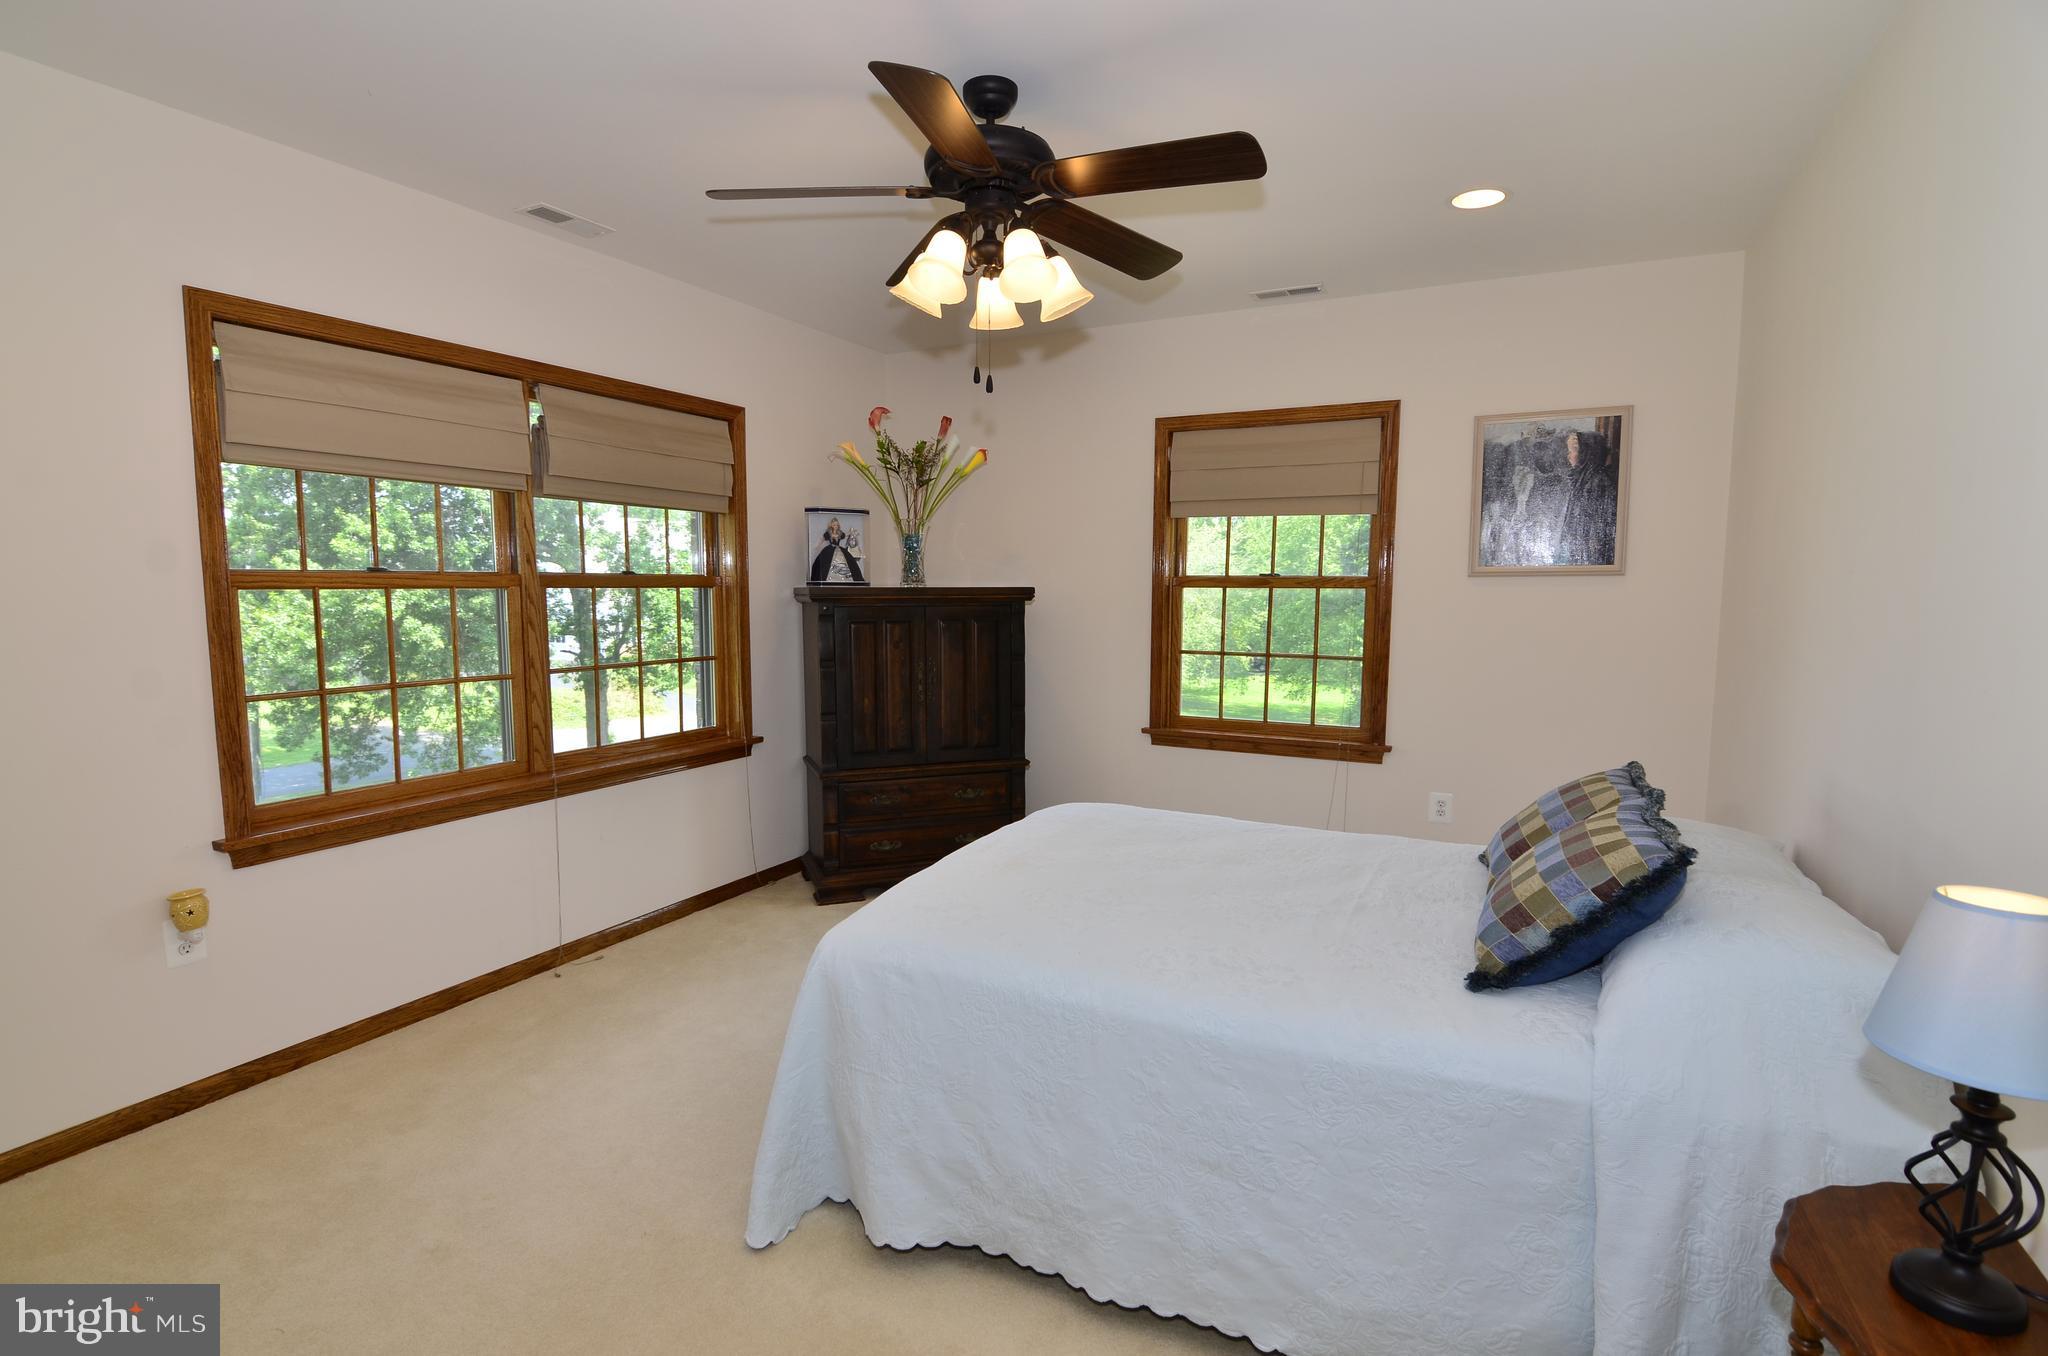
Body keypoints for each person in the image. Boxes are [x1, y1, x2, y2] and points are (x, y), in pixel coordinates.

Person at [1557, 429, 1617, 566]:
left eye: (1573, 451)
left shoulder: (1598, 483)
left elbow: (1597, 529)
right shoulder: (1580, 480)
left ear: (1586, 454)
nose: (1569, 456)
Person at [809, 516, 865, 585]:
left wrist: (851, 532)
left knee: (848, 561)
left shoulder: (839, 533)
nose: (836, 526)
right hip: (829, 550)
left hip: (839, 549)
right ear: (831, 525)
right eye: (834, 525)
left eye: (837, 525)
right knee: (825, 564)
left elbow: (845, 535)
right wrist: (816, 546)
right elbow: (822, 539)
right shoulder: (828, 533)